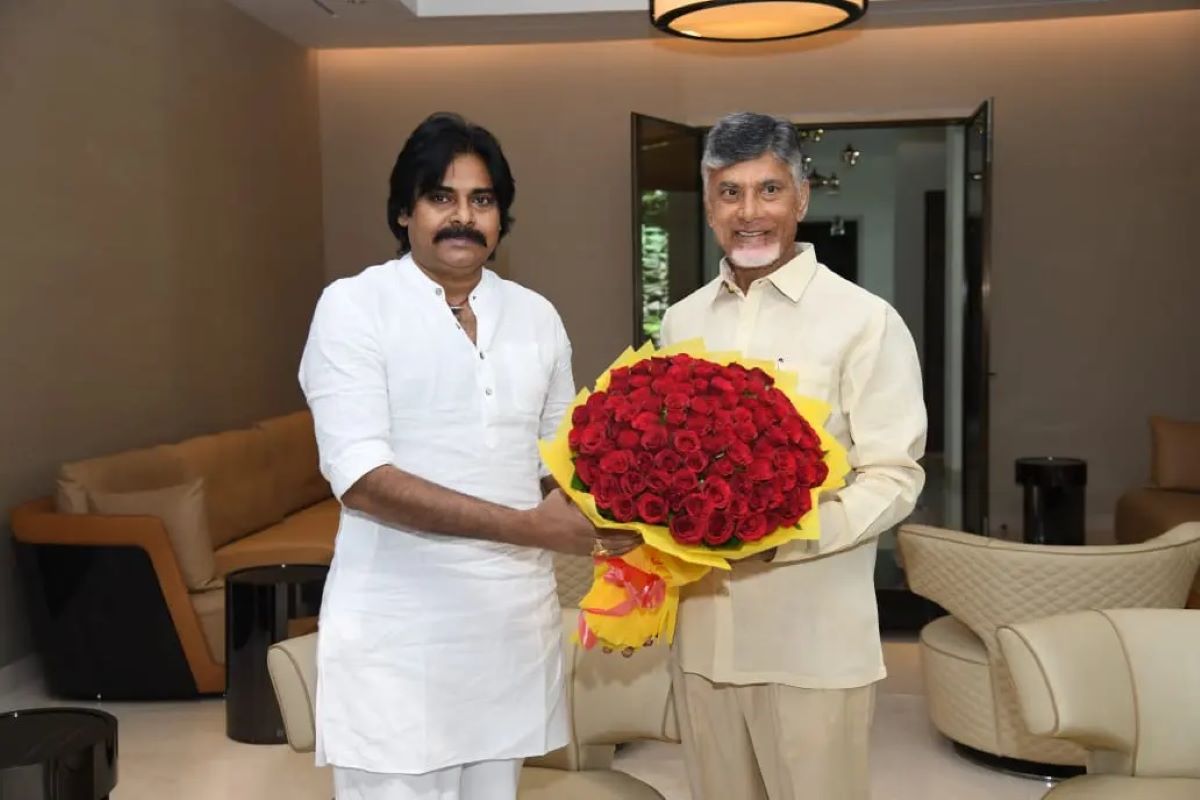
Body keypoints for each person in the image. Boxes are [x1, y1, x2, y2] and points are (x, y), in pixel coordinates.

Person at [299, 112, 637, 800]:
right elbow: (362, 480)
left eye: (481, 200)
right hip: (398, 631)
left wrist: (644, 514)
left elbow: (562, 459)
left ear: (501, 217)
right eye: (441, 197)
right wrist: (528, 528)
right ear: (404, 212)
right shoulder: (354, 307)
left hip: (510, 625)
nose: (463, 217)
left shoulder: (536, 315)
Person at [659, 111, 927, 800]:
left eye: (769, 190)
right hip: (703, 642)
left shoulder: (865, 321)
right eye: (730, 192)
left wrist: (789, 538)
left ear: (802, 198)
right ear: (710, 202)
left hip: (812, 642)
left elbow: (894, 476)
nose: (750, 212)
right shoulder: (681, 321)